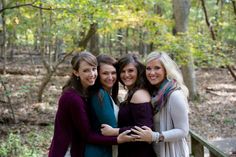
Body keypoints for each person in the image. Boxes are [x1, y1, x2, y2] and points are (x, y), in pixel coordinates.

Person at [48, 51, 133, 157]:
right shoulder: (73, 98)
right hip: (66, 152)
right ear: (76, 72)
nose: (92, 74)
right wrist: (117, 139)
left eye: (93, 69)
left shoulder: (85, 93)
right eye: (86, 70)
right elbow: (87, 135)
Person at [131, 51, 189, 157]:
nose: (152, 73)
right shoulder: (154, 93)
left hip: (173, 152)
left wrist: (156, 136)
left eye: (157, 68)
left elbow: (183, 130)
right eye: (148, 68)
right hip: (157, 151)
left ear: (166, 70)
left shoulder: (174, 95)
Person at [101, 53, 156, 157]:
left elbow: (144, 130)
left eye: (130, 71)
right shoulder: (131, 93)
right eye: (122, 71)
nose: (126, 75)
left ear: (138, 72)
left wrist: (114, 131)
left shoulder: (139, 94)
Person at [85, 54, 119, 157]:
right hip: (99, 151)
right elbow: (112, 127)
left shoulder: (105, 94)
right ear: (97, 74)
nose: (110, 77)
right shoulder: (100, 95)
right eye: (105, 73)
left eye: (113, 73)